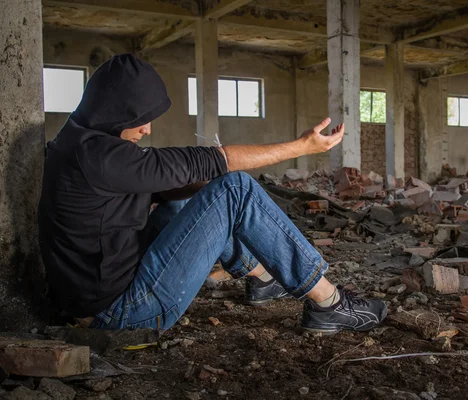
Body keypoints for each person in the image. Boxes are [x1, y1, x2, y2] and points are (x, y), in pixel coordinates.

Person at [38, 54, 387, 334]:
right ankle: (330, 303)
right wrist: (302, 147)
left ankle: (263, 279)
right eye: (139, 119)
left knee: (195, 197)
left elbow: (171, 183)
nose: (146, 129)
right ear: (114, 112)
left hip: (97, 298)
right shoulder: (101, 157)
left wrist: (212, 200)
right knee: (236, 186)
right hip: (122, 315)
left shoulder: (77, 142)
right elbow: (215, 161)